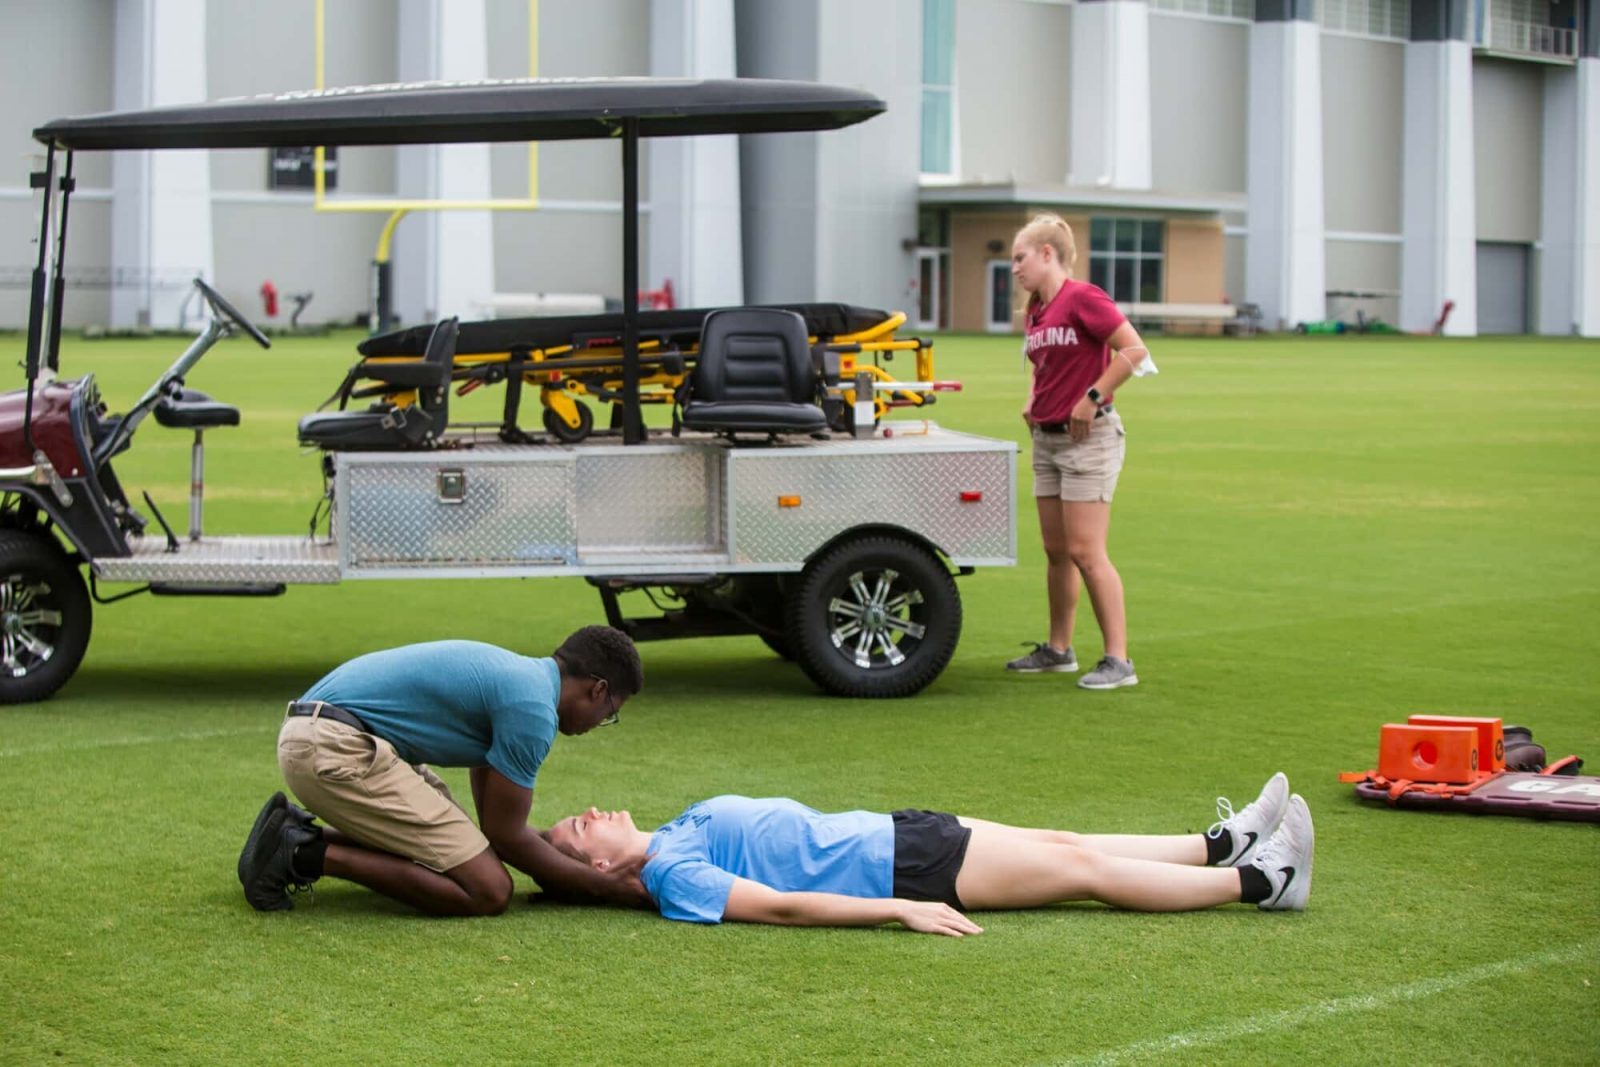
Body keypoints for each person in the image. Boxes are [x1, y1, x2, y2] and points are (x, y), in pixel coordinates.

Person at [542, 774, 1312, 936]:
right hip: (906, 870)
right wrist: (900, 906)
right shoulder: (674, 874)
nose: (589, 812)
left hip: (902, 831)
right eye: (579, 830)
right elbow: (777, 904)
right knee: (1084, 876)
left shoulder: (676, 827)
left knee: (1063, 844)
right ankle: (1261, 882)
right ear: (601, 868)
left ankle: (1220, 843)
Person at [237, 625, 649, 916]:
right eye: (609, 712)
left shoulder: (524, 679)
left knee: (457, 854)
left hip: (323, 735)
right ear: (597, 690)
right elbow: (507, 837)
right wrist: (604, 886)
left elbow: (493, 829)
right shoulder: (534, 710)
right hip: (332, 746)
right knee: (489, 889)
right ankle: (301, 853)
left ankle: (292, 831)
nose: (599, 723)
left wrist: (566, 870)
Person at [1005, 212, 1155, 689]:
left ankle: (1119, 660)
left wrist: (1092, 398)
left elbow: (1134, 352)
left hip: (1088, 440)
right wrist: (1032, 398)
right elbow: (1041, 364)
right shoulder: (1037, 309)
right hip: (1047, 440)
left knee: (1087, 551)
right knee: (1056, 551)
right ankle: (1059, 649)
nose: (1015, 268)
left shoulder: (1082, 298)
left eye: (1020, 257)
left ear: (1047, 254)